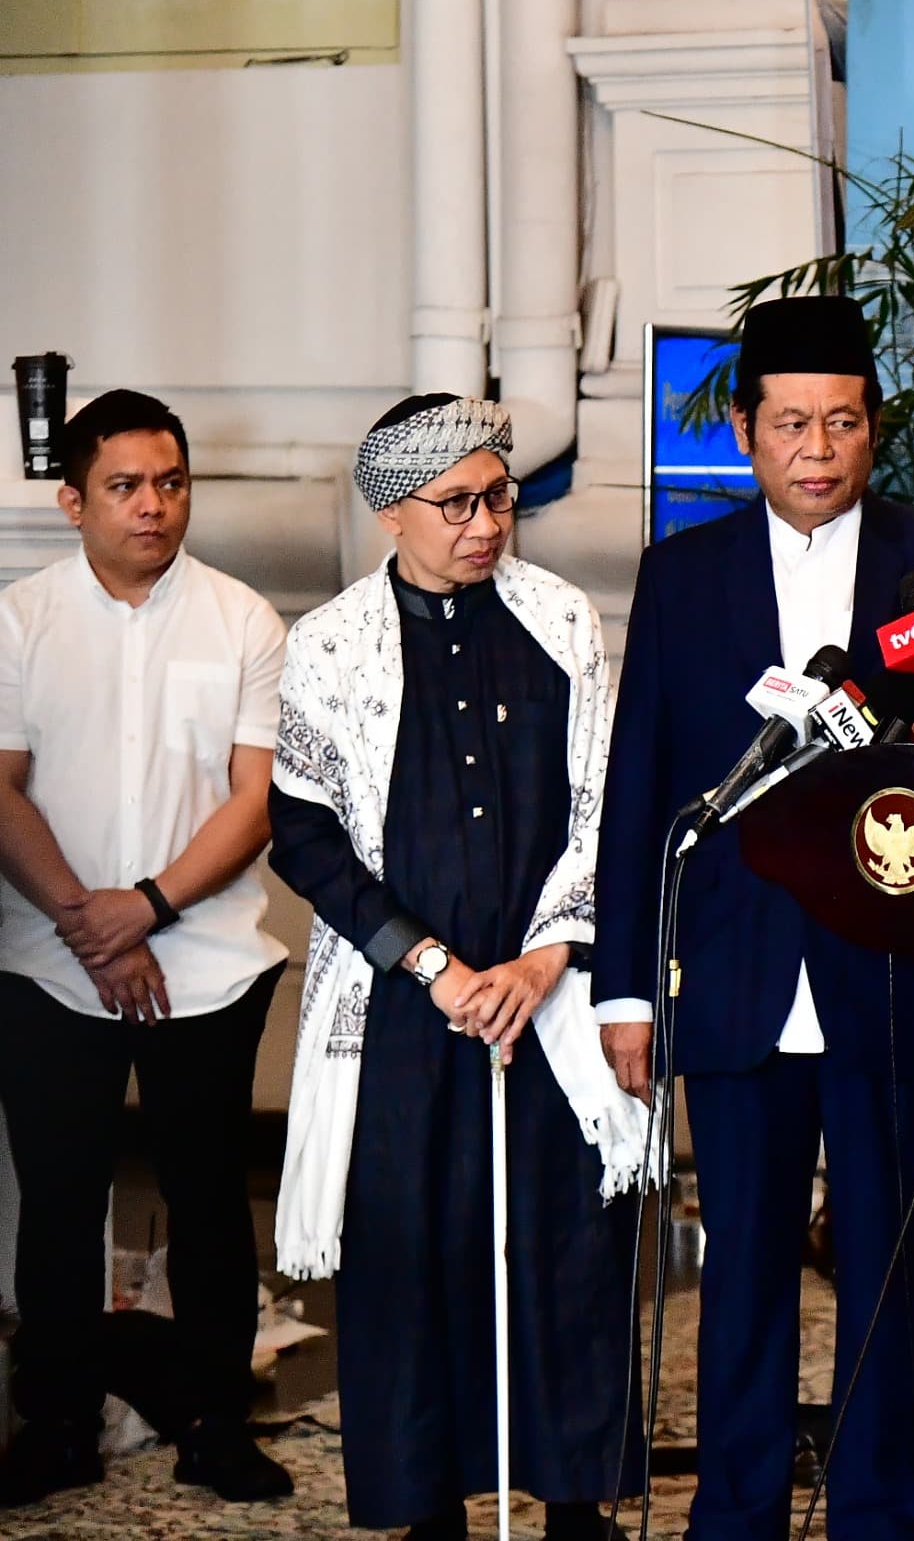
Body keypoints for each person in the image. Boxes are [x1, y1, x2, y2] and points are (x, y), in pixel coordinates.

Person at [592, 295, 914, 1541]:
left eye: (844, 422)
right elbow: (642, 782)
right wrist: (627, 984)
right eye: (792, 422)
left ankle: (880, 1506)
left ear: (875, 431)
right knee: (744, 1268)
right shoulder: (682, 573)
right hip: (736, 968)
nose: (818, 447)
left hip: (892, 974)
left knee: (889, 1269)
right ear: (748, 434)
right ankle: (736, 1503)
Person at [266, 393, 654, 1541]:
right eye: (459, 502)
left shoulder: (559, 616)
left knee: (567, 1245)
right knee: (410, 1252)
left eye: (501, 495)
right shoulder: (328, 643)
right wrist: (433, 964)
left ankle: (575, 1499)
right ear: (392, 509)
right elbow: (306, 835)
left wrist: (542, 958)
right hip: (404, 1012)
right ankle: (427, 1504)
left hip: (549, 998)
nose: (488, 522)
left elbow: (602, 801)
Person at [0, 391, 294, 1508]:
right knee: (62, 1202)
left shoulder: (243, 620)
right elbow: (1, 786)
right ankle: (58, 1424)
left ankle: (219, 1425)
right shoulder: (19, 620)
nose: (155, 505)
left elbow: (254, 798)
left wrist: (147, 906)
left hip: (207, 961)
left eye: (172, 482)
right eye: (126, 485)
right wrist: (91, 919)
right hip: (44, 958)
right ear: (73, 498)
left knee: (211, 1200)